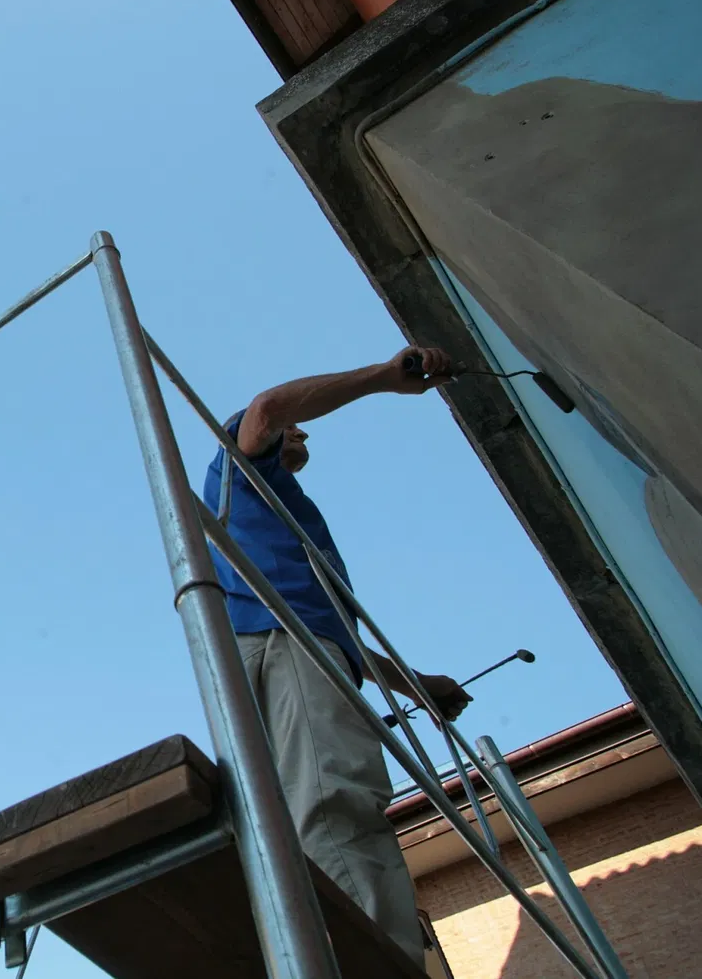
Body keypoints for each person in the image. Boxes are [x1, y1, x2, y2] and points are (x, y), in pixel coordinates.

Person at [203, 344, 473, 964]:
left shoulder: (276, 515)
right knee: (334, 808)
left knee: (297, 825)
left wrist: (415, 684)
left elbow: (322, 634)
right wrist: (384, 377)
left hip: (283, 652)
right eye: (292, 432)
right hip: (286, 651)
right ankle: (382, 963)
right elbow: (269, 408)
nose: (299, 436)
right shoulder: (244, 477)